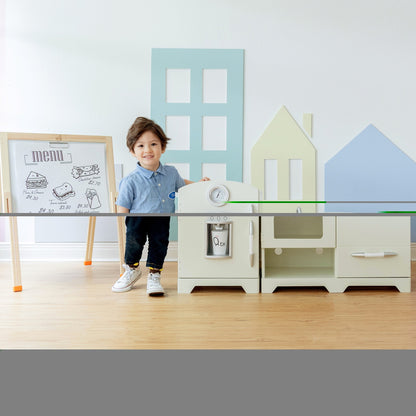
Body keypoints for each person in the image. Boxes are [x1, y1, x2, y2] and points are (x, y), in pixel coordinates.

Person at [112, 117, 209, 296]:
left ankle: (154, 275)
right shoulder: (130, 181)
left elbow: (182, 185)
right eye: (140, 146)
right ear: (133, 151)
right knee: (133, 245)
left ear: (162, 148)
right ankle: (132, 270)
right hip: (137, 221)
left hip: (162, 219)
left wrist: (198, 184)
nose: (147, 150)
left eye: (153, 144)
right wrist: (122, 221)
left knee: (159, 246)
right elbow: (122, 207)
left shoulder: (171, 173)